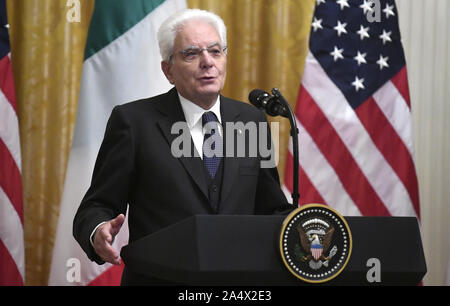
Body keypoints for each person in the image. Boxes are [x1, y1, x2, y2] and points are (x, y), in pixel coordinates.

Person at [73, 8, 293, 285]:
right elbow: (97, 205)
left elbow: (270, 207)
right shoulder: (134, 122)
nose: (207, 62)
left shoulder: (251, 119)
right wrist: (98, 231)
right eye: (191, 53)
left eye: (215, 51)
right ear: (168, 70)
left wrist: (302, 227)